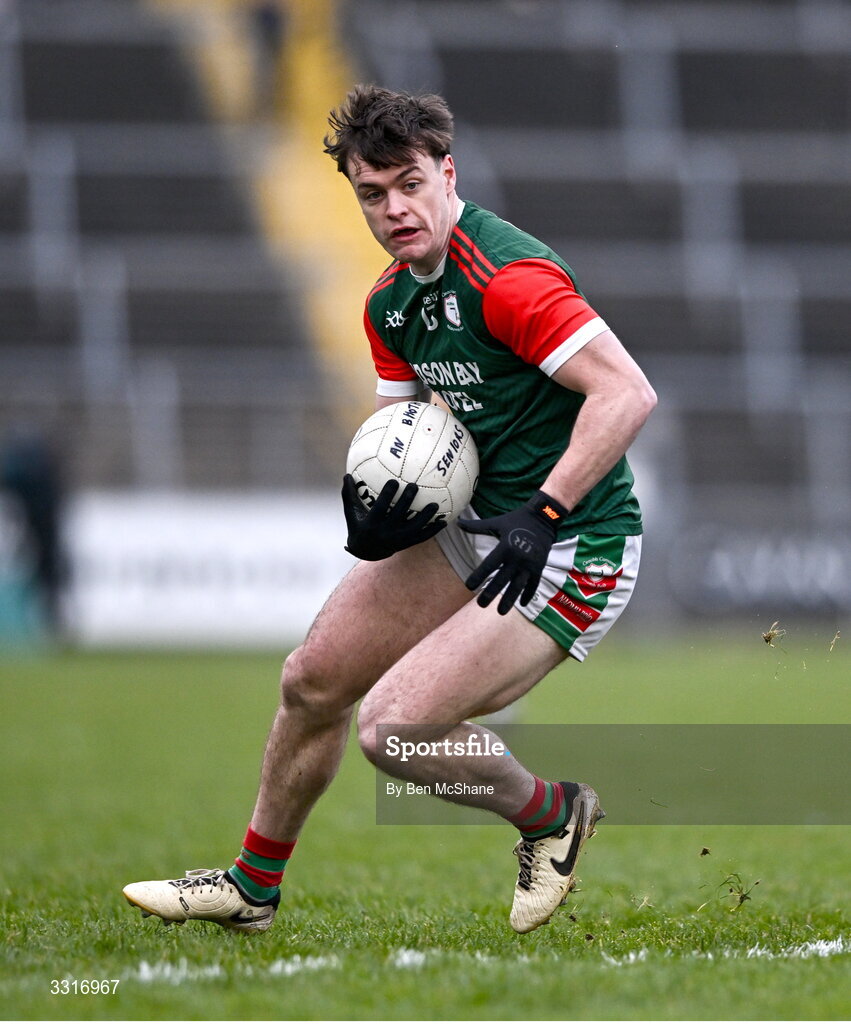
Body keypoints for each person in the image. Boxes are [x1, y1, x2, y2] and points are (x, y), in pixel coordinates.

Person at [122, 85, 657, 935]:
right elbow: (407, 431)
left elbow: (626, 394)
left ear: (447, 174)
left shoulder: (509, 279)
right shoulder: (389, 303)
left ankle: (551, 812)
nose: (394, 209)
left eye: (409, 183)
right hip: (475, 526)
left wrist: (547, 511)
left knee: (397, 729)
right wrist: (377, 509)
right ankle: (252, 887)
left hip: (570, 542)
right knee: (311, 679)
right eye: (371, 194)